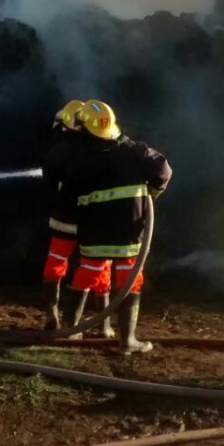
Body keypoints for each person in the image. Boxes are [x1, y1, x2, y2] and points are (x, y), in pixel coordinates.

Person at [59, 100, 171, 354]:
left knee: (85, 274)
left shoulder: (80, 159)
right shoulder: (137, 151)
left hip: (94, 234)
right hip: (129, 234)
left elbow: (68, 196)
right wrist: (151, 193)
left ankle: (71, 332)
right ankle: (127, 341)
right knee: (129, 280)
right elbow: (164, 170)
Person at [41, 100, 114, 337]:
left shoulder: (55, 153)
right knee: (98, 269)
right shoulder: (101, 151)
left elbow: (50, 190)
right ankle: (104, 324)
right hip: (93, 224)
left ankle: (52, 315)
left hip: (63, 220)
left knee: (55, 263)